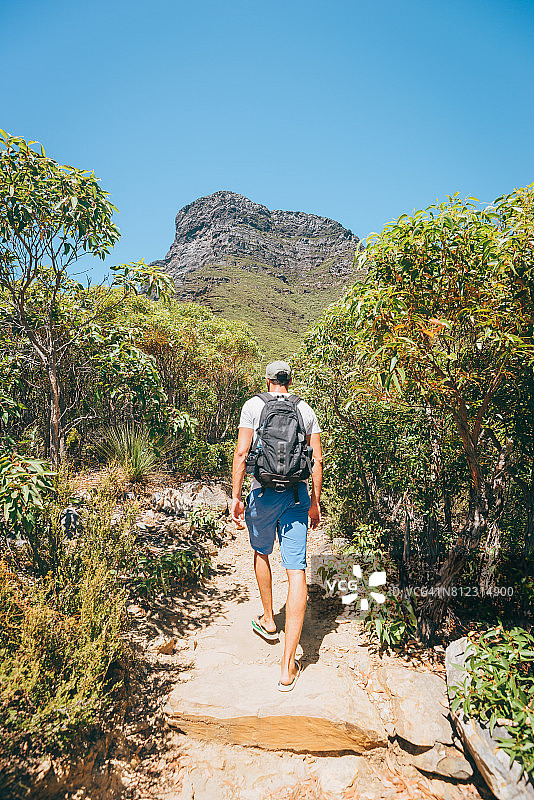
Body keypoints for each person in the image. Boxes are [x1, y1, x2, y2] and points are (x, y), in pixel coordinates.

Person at [231, 360, 323, 691]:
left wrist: (236, 497)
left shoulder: (253, 405)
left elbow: (242, 454)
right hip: (297, 496)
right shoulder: (306, 410)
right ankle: (287, 668)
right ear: (290, 380)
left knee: (261, 551)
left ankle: (269, 620)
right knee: (296, 571)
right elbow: (317, 460)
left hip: (262, 492)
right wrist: (314, 502)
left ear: (268, 380)